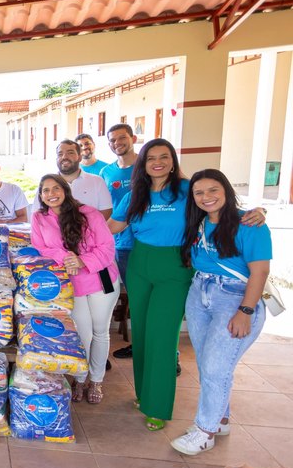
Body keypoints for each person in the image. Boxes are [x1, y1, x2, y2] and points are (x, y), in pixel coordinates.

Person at [107, 139, 265, 431]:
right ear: (142, 163)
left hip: (176, 265)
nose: (157, 162)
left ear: (172, 160)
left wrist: (252, 212)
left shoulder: (185, 189)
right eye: (151, 157)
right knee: (141, 332)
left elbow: (215, 206)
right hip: (140, 264)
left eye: (163, 157)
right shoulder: (135, 194)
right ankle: (144, 395)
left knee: (162, 336)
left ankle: (158, 406)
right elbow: (111, 227)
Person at [170, 169, 272, 455]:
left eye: (213, 190)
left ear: (226, 190)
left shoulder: (249, 224)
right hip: (199, 291)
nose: (207, 197)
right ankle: (220, 418)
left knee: (216, 367)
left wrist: (246, 310)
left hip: (234, 297)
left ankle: (205, 431)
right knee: (207, 364)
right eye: (199, 192)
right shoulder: (198, 223)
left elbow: (260, 271)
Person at [31, 174, 120, 405]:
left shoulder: (88, 213)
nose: (51, 194)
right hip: (73, 284)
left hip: (102, 278)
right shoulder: (39, 218)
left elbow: (107, 248)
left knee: (101, 331)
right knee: (83, 334)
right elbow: (40, 247)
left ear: (65, 190)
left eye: (56, 188)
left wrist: (82, 260)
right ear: (40, 196)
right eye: (46, 190)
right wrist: (66, 257)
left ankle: (97, 380)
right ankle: (80, 378)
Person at [99, 124, 138, 360]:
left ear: (133, 138)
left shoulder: (146, 167)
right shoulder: (107, 173)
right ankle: (134, 343)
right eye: (112, 140)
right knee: (119, 293)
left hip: (144, 244)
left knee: (146, 297)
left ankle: (166, 351)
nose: (117, 143)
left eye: (122, 138)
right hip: (115, 245)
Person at [31, 140, 112, 219]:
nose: (64, 157)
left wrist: (85, 231)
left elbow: (106, 211)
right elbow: (37, 214)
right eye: (60, 154)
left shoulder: (97, 181)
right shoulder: (46, 184)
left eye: (70, 153)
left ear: (80, 157)